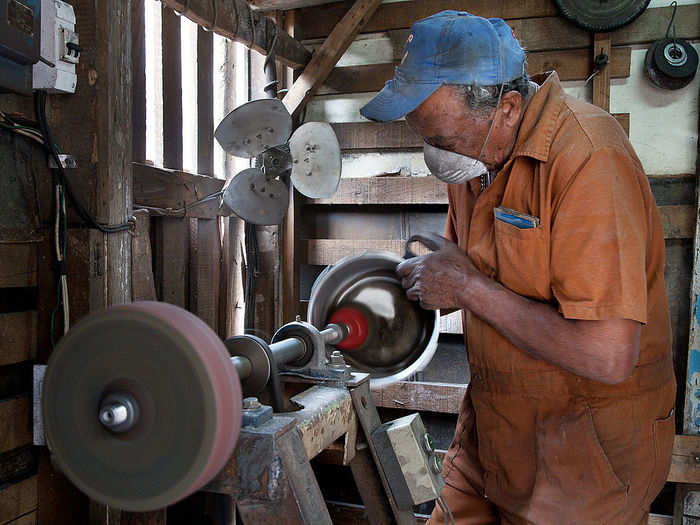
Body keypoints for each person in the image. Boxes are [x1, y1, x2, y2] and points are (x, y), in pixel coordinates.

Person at [360, 10, 676, 525]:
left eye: (446, 140)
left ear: (507, 107)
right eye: (429, 140)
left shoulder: (589, 159)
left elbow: (609, 355)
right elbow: (470, 271)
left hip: (583, 454)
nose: (438, 157)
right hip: (495, 428)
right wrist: (433, 277)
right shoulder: (477, 158)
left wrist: (465, 287)